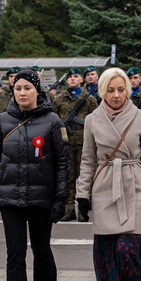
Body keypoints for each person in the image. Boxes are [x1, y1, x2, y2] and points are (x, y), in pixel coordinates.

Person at [0, 68, 69, 281]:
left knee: (41, 249)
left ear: (37, 91)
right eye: (18, 88)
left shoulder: (53, 120)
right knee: (15, 254)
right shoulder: (2, 121)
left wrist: (61, 198)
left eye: (27, 88)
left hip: (41, 197)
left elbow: (62, 163)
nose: (22, 92)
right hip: (9, 197)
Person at [77, 67, 141, 281]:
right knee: (109, 251)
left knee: (128, 248)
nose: (116, 95)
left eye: (121, 89)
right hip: (104, 185)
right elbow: (88, 159)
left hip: (132, 184)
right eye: (111, 90)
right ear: (102, 91)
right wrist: (82, 193)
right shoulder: (92, 119)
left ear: (128, 90)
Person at [52, 67, 98, 222]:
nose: (72, 79)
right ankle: (70, 208)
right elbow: (53, 120)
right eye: (70, 77)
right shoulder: (59, 99)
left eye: (76, 76)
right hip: (66, 144)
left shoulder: (89, 99)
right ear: (67, 80)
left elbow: (96, 122)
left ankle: (84, 208)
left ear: (81, 80)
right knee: (68, 177)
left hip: (85, 144)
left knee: (85, 177)